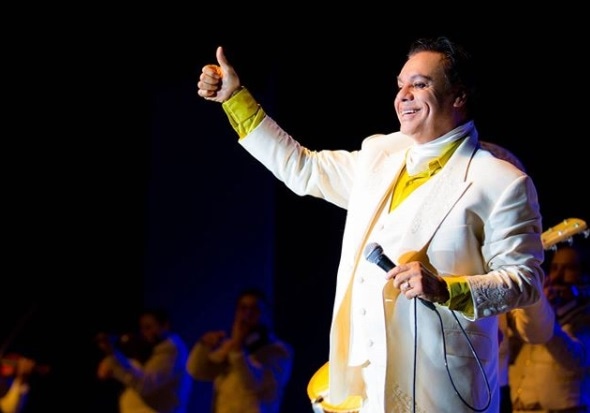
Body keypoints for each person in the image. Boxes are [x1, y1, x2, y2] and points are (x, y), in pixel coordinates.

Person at [196, 36, 547, 412]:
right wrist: (235, 99)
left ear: (458, 95)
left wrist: (448, 289)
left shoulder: (500, 181)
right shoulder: (379, 155)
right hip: (367, 391)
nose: (404, 96)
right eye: (401, 85)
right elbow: (303, 168)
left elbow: (525, 281)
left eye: (419, 84)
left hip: (442, 390)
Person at [509, 242, 590, 412]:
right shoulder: (545, 306)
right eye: (554, 268)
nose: (557, 276)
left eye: (568, 268)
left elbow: (577, 360)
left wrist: (544, 316)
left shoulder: (584, 315)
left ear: (583, 275)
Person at [186, 287, 293, 413]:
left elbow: (253, 382)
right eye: (243, 308)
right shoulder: (231, 347)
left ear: (266, 314)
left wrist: (237, 349)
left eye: (254, 309)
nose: (247, 314)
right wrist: (203, 345)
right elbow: (197, 371)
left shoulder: (279, 351)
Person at [96, 307, 193, 413]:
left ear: (165, 325)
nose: (145, 333)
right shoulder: (157, 349)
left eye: (149, 327)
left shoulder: (170, 349)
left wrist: (112, 357)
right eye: (142, 328)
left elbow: (144, 385)